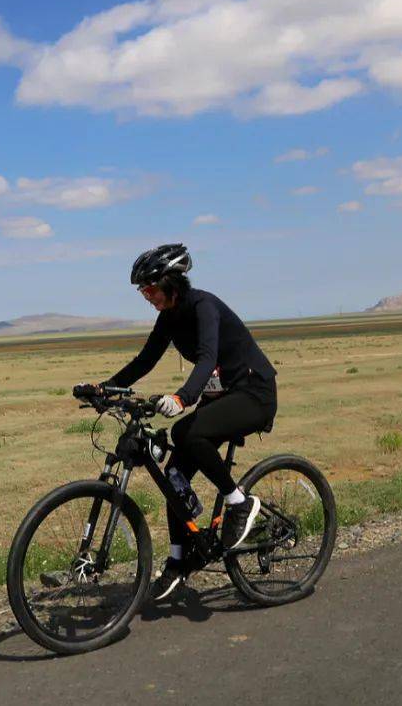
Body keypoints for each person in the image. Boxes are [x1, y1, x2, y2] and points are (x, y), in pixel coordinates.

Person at [89, 243, 278, 600]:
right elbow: (144, 361)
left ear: (171, 282)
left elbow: (207, 359)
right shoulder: (169, 318)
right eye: (143, 292)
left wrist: (182, 397)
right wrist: (105, 387)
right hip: (222, 397)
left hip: (254, 393)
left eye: (151, 289)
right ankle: (178, 562)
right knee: (174, 478)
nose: (147, 297)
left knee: (185, 430)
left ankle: (239, 502)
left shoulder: (203, 307)